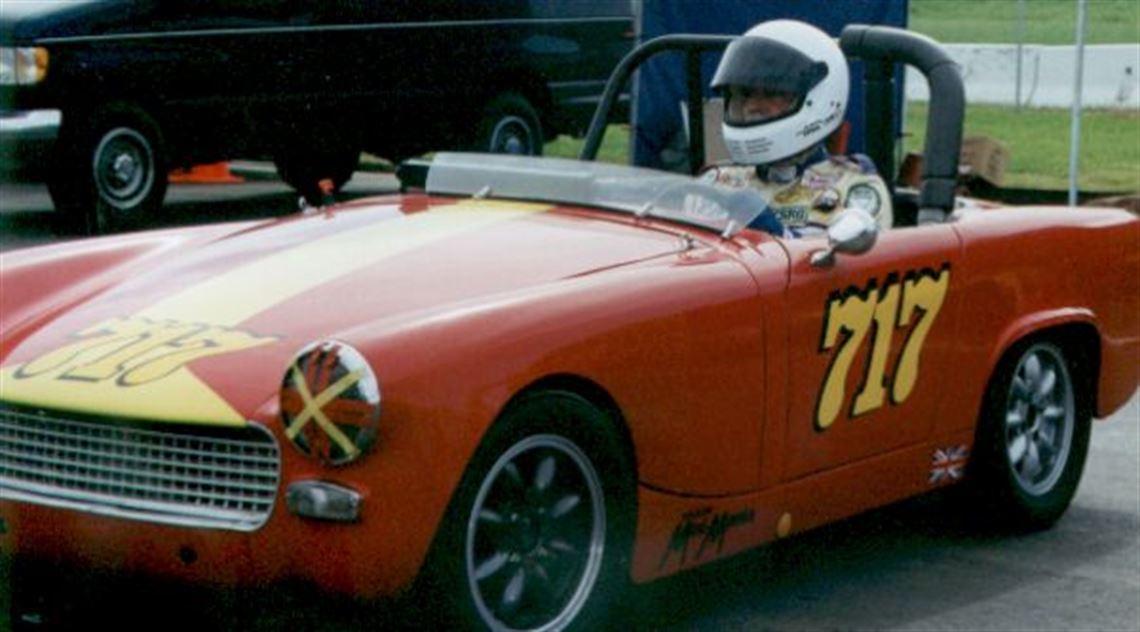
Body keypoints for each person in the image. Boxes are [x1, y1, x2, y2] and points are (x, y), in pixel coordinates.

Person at [700, 19, 893, 237]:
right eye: (744, 95)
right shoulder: (718, 181)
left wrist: (773, 231)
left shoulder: (854, 188)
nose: (752, 107)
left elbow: (851, 265)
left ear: (819, 99)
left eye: (773, 94)